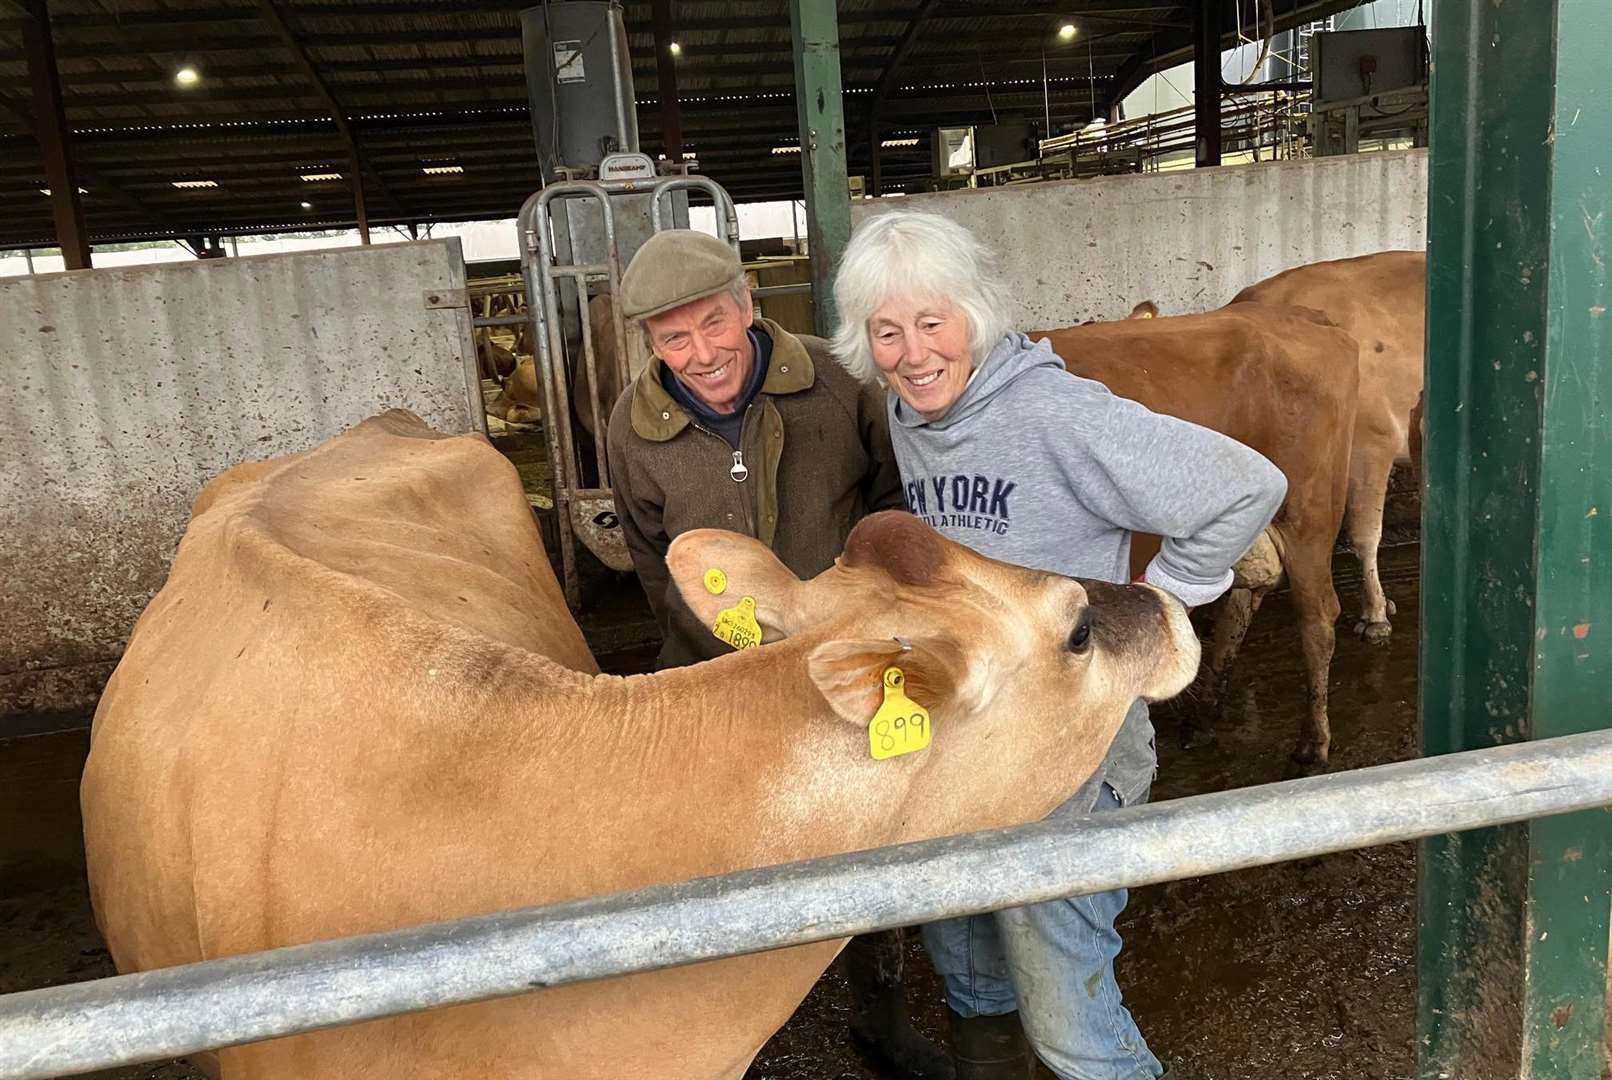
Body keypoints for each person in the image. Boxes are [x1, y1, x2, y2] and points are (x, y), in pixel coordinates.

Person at [831, 209, 1288, 1080]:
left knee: (1067, 1015)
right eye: (887, 332)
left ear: (976, 314)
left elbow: (1247, 487)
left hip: (1073, 752)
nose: (913, 352)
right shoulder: (911, 415)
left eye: (933, 323)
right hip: (968, 743)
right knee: (966, 961)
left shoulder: (1055, 413)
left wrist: (1160, 608)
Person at [605, 228, 950, 1080]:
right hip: (716, 675)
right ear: (648, 342)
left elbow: (892, 505)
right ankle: (737, 1031)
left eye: (715, 324)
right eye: (673, 338)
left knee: (875, 833)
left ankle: (881, 1011)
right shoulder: (631, 426)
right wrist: (704, 669)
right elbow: (654, 562)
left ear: (749, 306)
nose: (702, 353)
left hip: (852, 663)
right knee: (719, 853)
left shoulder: (837, 383)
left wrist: (876, 631)